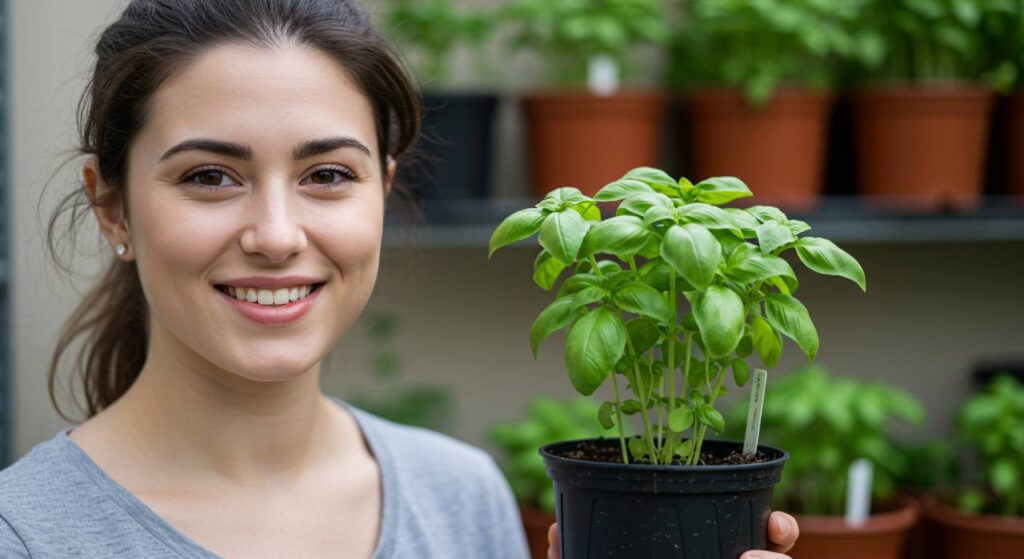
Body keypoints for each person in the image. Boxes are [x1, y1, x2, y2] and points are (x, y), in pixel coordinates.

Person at [0, 1, 800, 557]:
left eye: (326, 175)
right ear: (111, 207)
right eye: (210, 176)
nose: (277, 236)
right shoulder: (24, 533)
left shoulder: (461, 495)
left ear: (383, 187)